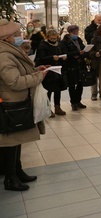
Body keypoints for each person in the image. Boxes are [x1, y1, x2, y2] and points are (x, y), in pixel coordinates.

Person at [0, 19, 47, 191]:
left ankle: (18, 171)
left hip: (17, 101)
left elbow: (19, 72)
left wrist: (37, 70)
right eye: (16, 35)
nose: (20, 37)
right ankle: (11, 178)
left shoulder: (10, 50)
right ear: (7, 38)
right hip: (11, 103)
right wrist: (38, 77)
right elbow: (14, 82)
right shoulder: (4, 55)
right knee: (12, 141)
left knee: (17, 140)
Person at [35, 29, 68, 116]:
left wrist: (63, 58)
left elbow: (61, 53)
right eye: (52, 39)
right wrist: (51, 58)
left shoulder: (58, 44)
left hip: (58, 69)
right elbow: (41, 58)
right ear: (47, 37)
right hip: (48, 70)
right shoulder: (43, 45)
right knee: (48, 90)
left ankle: (57, 107)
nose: (54, 40)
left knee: (58, 90)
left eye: (55, 38)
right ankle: (48, 108)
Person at [62, 25, 88, 111]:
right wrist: (76, 54)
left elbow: (84, 49)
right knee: (72, 85)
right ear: (69, 33)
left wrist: (82, 53)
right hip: (71, 66)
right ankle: (73, 102)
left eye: (77, 32)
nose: (76, 34)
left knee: (80, 84)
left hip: (80, 64)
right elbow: (65, 53)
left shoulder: (79, 40)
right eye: (74, 32)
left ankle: (78, 101)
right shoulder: (65, 41)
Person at [84, 14, 101, 101]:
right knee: (94, 74)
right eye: (99, 20)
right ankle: (94, 93)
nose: (100, 22)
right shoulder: (89, 28)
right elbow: (88, 38)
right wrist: (97, 30)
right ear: (95, 20)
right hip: (93, 53)